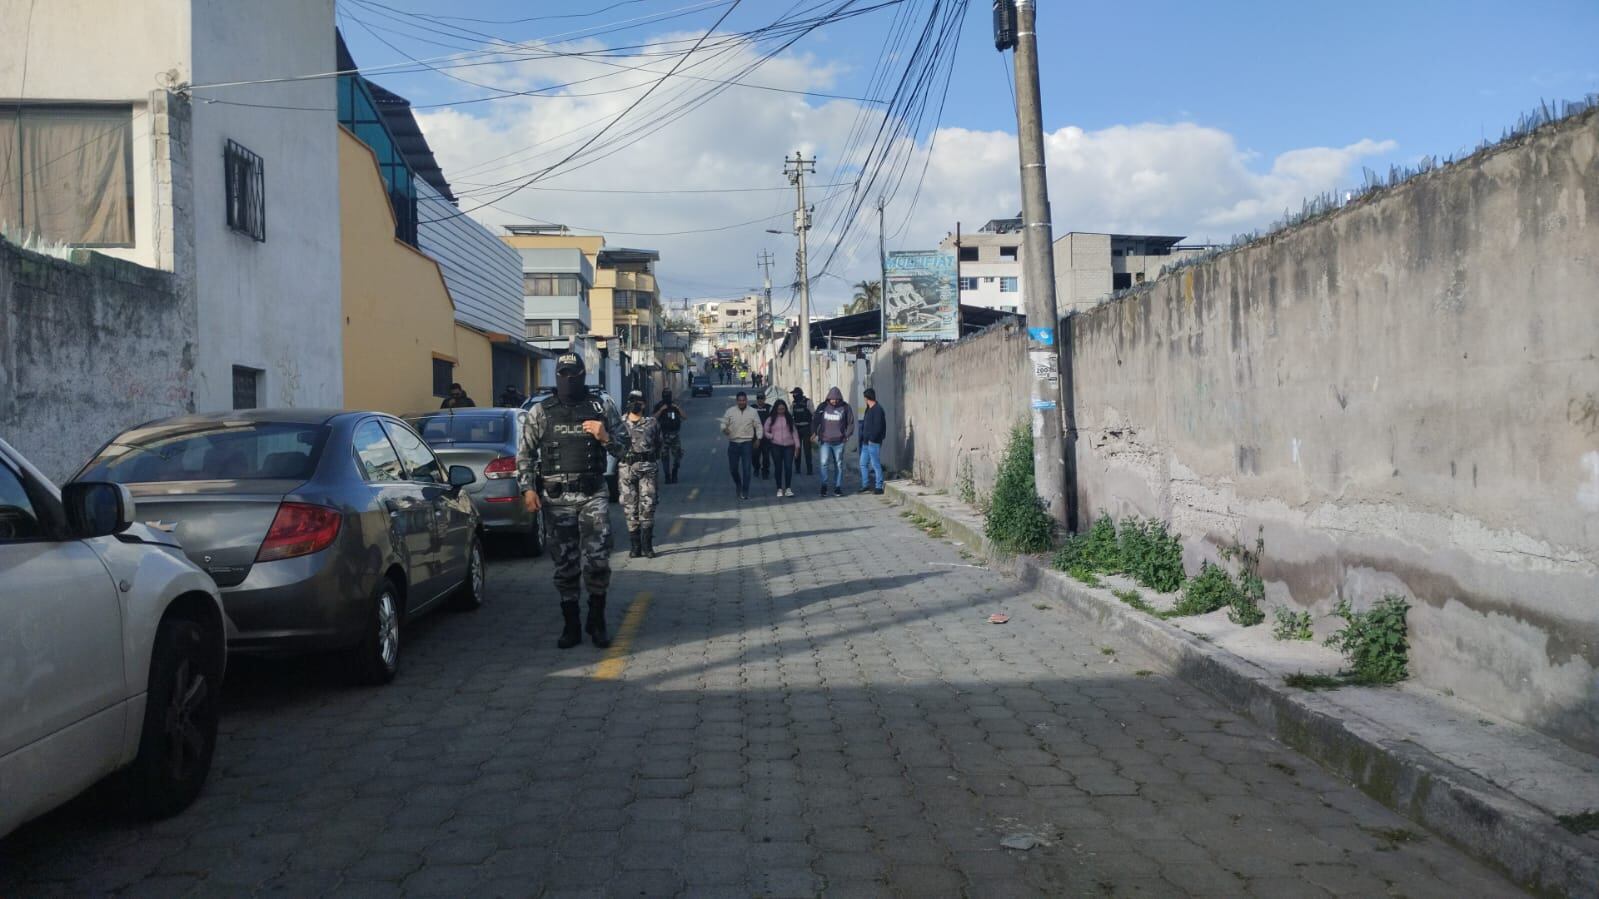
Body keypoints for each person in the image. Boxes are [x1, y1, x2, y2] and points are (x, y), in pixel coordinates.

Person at [517, 353, 627, 649]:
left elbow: (625, 448)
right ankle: (572, 625)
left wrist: (605, 437)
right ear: (558, 376)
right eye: (563, 374)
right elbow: (525, 454)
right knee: (565, 564)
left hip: (593, 493)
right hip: (557, 498)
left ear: (582, 375)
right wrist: (528, 489)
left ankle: (597, 619)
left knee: (598, 559)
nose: (568, 379)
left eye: (573, 374)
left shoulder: (600, 406)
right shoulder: (541, 412)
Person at [619, 390, 663, 559]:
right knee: (630, 508)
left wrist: (651, 458)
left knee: (648, 506)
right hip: (627, 470)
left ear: (644, 404)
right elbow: (613, 444)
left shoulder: (652, 422)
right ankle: (635, 546)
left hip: (648, 469)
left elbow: (659, 443)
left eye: (638, 401)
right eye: (632, 401)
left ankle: (647, 546)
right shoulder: (620, 423)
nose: (635, 404)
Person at [813, 386, 855, 497]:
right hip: (825, 441)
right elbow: (816, 420)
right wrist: (814, 432)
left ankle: (837, 487)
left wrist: (847, 435)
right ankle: (824, 485)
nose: (834, 401)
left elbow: (851, 423)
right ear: (828, 398)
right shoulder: (823, 407)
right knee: (823, 463)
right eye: (832, 398)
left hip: (839, 441)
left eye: (836, 399)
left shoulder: (845, 407)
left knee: (839, 464)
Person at [719, 391, 761, 500]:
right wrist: (724, 429)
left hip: (747, 443)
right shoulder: (730, 411)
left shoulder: (753, 412)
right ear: (736, 401)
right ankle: (738, 483)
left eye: (743, 400)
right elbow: (723, 422)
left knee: (747, 469)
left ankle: (745, 491)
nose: (742, 402)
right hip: (733, 443)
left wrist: (758, 438)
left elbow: (758, 426)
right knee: (733, 468)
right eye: (740, 400)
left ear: (746, 400)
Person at [764, 398, 800, 497]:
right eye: (779, 409)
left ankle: (788, 488)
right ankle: (779, 488)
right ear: (776, 409)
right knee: (778, 467)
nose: (781, 411)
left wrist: (797, 446)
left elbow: (794, 432)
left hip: (789, 446)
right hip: (776, 446)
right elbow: (765, 430)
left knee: (788, 467)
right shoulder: (771, 419)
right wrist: (771, 436)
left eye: (783, 409)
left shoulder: (789, 418)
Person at [652, 389, 686, 484]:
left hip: (675, 434)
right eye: (665, 395)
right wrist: (661, 410)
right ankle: (667, 476)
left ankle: (674, 473)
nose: (667, 397)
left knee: (677, 456)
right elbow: (653, 418)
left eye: (668, 395)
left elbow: (685, 416)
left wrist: (677, 408)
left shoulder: (675, 405)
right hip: (663, 435)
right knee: (664, 457)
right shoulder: (659, 405)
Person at [858, 387, 887, 495]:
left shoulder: (878, 409)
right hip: (865, 442)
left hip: (873, 442)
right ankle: (865, 485)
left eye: (864, 398)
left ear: (867, 398)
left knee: (875, 464)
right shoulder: (868, 409)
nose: (864, 400)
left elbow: (878, 427)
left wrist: (872, 439)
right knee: (863, 463)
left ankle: (879, 486)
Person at [789, 387, 814, 476]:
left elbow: (813, 414)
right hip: (797, 428)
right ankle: (797, 468)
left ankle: (809, 469)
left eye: (795, 394)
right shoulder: (793, 403)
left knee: (807, 450)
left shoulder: (808, 402)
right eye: (793, 394)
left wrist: (813, 430)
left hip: (806, 428)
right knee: (797, 449)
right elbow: (790, 415)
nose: (794, 396)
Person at [751, 391, 773, 480]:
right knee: (755, 455)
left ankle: (765, 471)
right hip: (755, 437)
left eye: (762, 398)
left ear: (765, 399)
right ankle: (756, 468)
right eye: (758, 398)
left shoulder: (769, 408)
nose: (760, 400)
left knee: (766, 456)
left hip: (766, 437)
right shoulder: (752, 408)